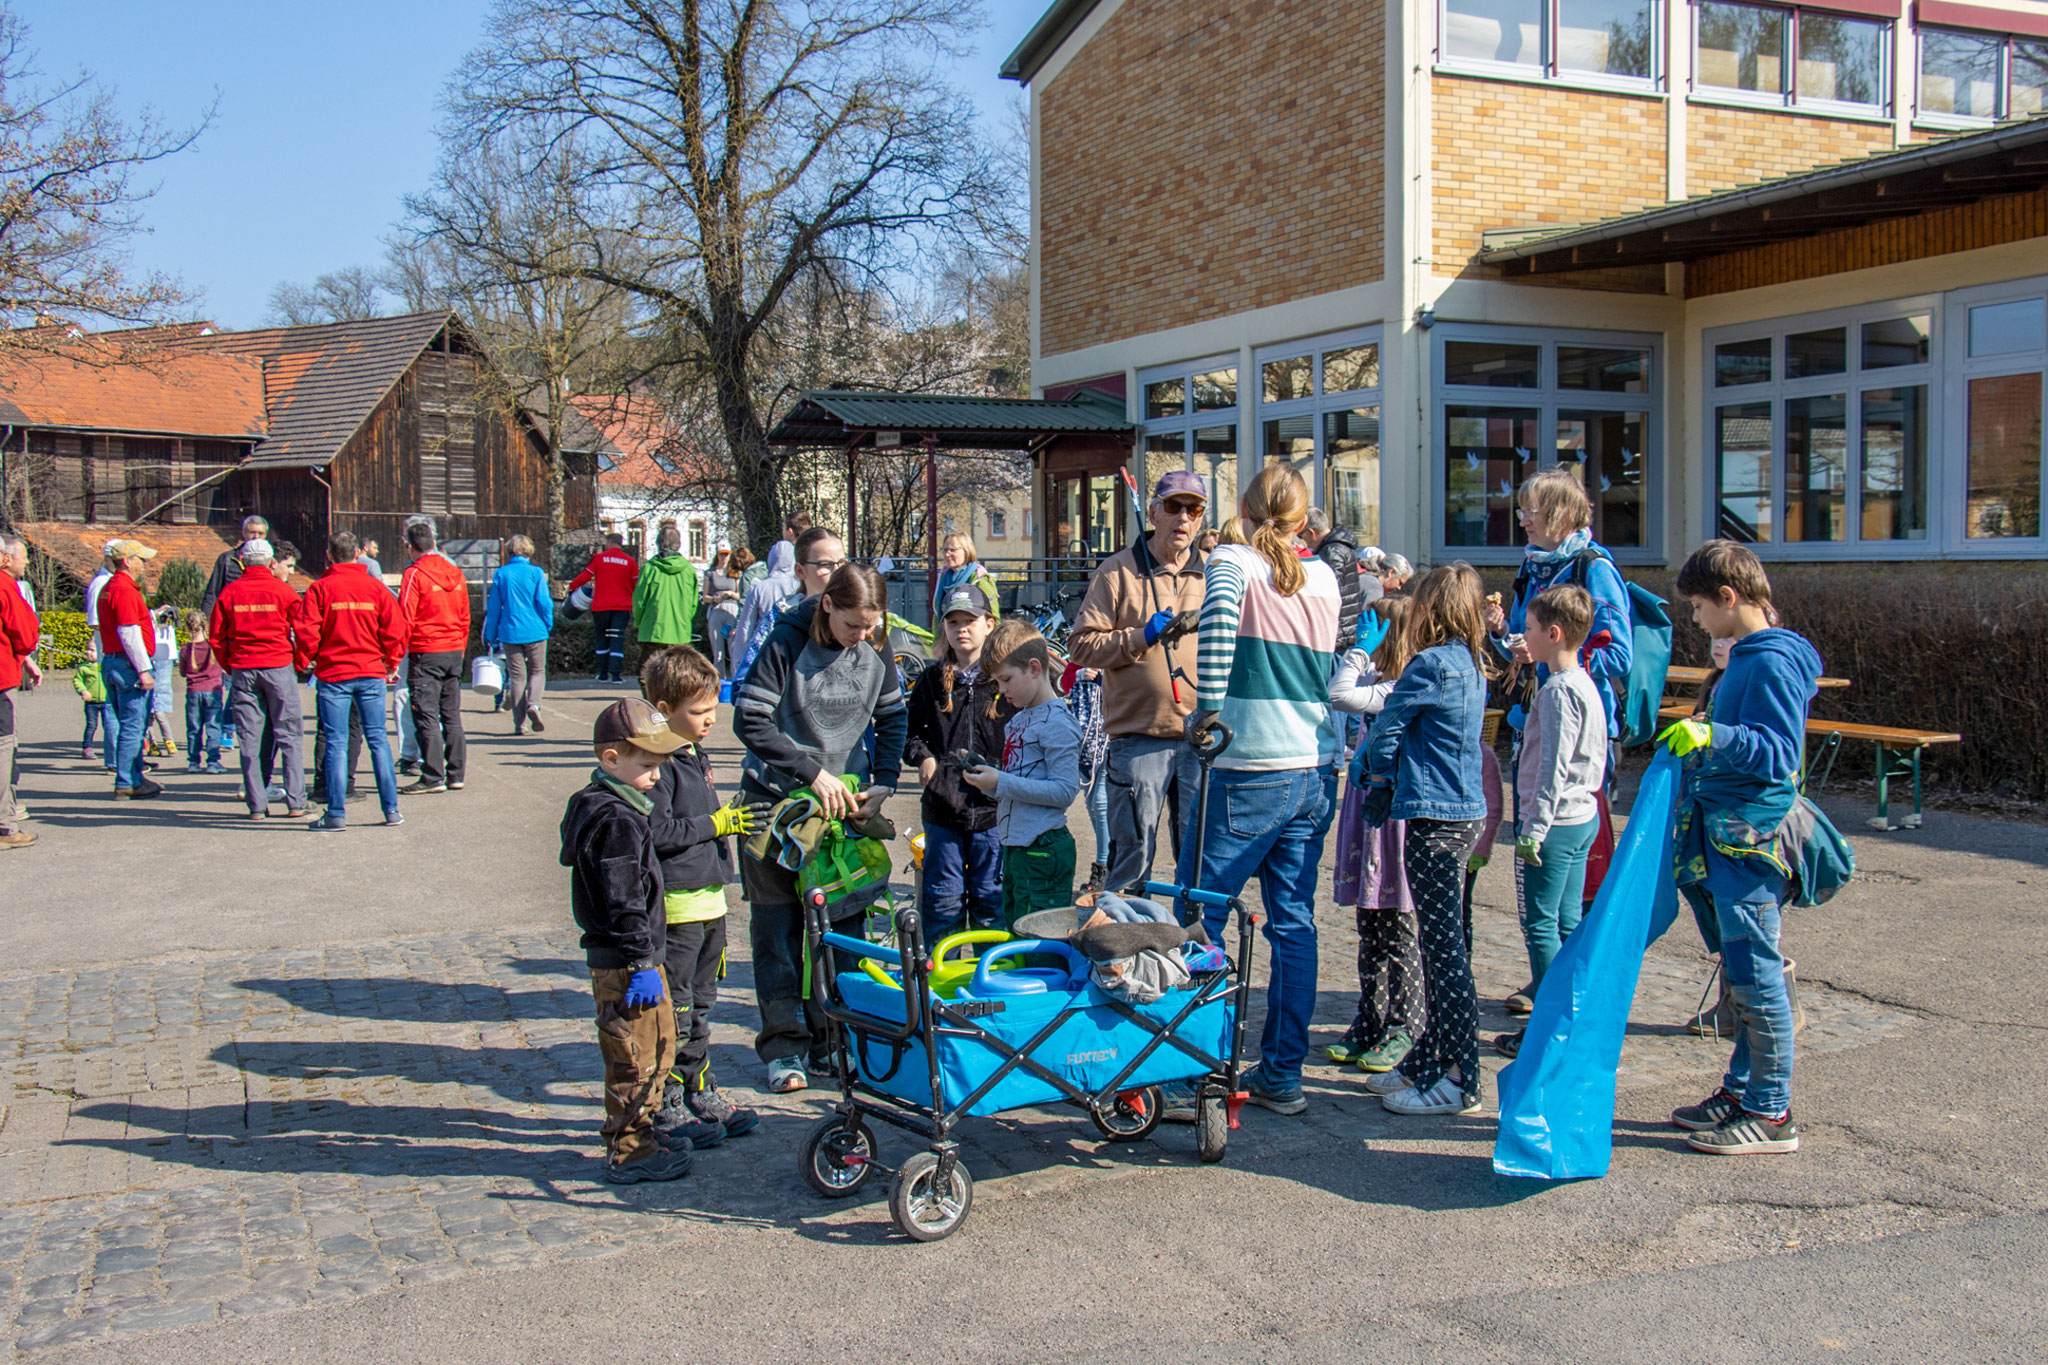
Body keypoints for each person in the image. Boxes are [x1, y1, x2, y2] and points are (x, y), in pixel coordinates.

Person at [1182, 464, 1342, 1116]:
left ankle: (1190, 1066)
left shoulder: (1233, 562)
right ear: (1304, 521)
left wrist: (1205, 711)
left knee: (1199, 914)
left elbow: (1218, 630)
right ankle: (1282, 1072)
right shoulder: (1327, 577)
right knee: (1294, 925)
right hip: (1314, 766)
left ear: (1245, 511)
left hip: (1249, 766)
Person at [1662, 541, 1819, 1157]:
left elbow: (1778, 753)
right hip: (1727, 835)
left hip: (1750, 841)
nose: (1696, 619)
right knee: (1743, 974)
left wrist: (1713, 732)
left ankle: (1771, 1110)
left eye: (1699, 607)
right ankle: (1741, 1088)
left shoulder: (1771, 662)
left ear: (1728, 598)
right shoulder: (1749, 656)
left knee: (1757, 978)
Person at [733, 562, 905, 1094]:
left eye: (871, 626)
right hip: (776, 809)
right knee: (779, 935)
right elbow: (749, 718)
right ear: (827, 604)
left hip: (843, 816)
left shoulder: (877, 645)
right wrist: (812, 772)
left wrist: (885, 779)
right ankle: (785, 1049)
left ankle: (838, 1041)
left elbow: (893, 716)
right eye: (854, 625)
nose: (863, 637)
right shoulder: (786, 640)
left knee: (844, 935)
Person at [1482, 469, 1632, 1013]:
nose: (1521, 517)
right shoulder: (1533, 564)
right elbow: (1523, 643)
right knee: (1553, 891)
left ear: (1564, 515)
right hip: (1537, 720)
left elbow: (1620, 656)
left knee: (1571, 874)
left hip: (1579, 735)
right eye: (1522, 507)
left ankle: (1569, 985)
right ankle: (1551, 978)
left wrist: (1562, 666)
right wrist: (1507, 637)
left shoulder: (1594, 568)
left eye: (1532, 509)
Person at [1358, 563, 1493, 1117]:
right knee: (1446, 946)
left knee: (1444, 955)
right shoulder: (1472, 664)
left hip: (1435, 822)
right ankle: (1428, 1060)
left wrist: (1376, 779)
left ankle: (1461, 1078)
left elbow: (1387, 728)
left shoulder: (1431, 665)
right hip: (1463, 817)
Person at [560, 696, 696, 1184]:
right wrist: (641, 961)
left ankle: (649, 1127)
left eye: (660, 763)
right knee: (633, 1056)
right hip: (627, 959)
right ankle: (630, 1148)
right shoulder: (615, 818)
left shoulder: (624, 805)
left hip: (640, 956)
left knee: (659, 1045)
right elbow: (623, 898)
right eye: (647, 763)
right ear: (610, 760)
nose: (657, 774)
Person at [638, 645, 761, 1145]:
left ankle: (697, 1085)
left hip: (710, 900)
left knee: (704, 1005)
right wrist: (715, 823)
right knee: (679, 1007)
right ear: (665, 711)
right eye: (699, 713)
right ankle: (666, 1096)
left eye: (713, 710)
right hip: (679, 905)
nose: (711, 721)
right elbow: (657, 832)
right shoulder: (657, 759)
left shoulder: (692, 750)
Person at [1068, 470, 1208, 895]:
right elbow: (1081, 647)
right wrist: (1140, 636)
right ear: (1153, 512)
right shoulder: (1118, 571)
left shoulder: (1215, 575)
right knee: (1132, 861)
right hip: (1138, 739)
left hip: (1201, 738)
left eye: (1194, 509)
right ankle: (1125, 956)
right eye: (1173, 507)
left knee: (1199, 865)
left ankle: (1196, 952)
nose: (1183, 517)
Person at [1495, 585, 1607, 1060]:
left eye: (1533, 630)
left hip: (1556, 825)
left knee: (1542, 925)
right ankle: (1569, 1016)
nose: (1526, 636)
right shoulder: (1582, 682)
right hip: (1580, 818)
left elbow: (1552, 767)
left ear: (1554, 633)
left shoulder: (1560, 691)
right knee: (1565, 920)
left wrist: (1534, 828)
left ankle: (1547, 1024)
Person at [1326, 596, 1422, 1075]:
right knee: (1370, 923)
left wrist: (1359, 653)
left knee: (1400, 923)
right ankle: (1371, 1015)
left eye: (1374, 629)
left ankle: (1405, 1023)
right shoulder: (1376, 683)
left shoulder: (1401, 688)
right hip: (1368, 812)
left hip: (1394, 817)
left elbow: (1339, 694)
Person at [904, 582, 1012, 939]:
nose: (961, 629)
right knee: (942, 903)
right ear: (944, 628)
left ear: (989, 624)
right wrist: (923, 758)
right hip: (943, 811)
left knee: (990, 903)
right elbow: (909, 733)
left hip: (994, 813)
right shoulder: (932, 680)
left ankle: (990, 981)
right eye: (953, 622)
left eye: (970, 620)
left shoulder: (1005, 682)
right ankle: (939, 987)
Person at [963, 621, 1081, 929]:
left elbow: (1064, 791)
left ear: (1033, 668)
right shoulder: (1022, 718)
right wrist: (986, 778)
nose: (1000, 690)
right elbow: (1020, 782)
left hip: (1043, 847)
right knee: (1017, 936)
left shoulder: (1057, 722)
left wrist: (1001, 782)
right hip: (1017, 848)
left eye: (1005, 679)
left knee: (1038, 945)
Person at [296, 532, 406, 831]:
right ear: (357, 553)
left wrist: (308, 659)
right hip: (371, 672)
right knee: (378, 741)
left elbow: (306, 631)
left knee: (336, 743)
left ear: (329, 555)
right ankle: (391, 810)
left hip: (334, 675)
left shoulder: (319, 589)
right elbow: (396, 630)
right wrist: (391, 662)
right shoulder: (376, 588)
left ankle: (335, 813)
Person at [211, 539, 309, 820]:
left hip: (244, 668)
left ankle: (256, 804)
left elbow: (217, 636)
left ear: (242, 562)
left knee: (249, 739)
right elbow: (303, 631)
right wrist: (299, 662)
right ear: (270, 563)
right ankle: (296, 802)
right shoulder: (285, 591)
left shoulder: (230, 592)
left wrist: (230, 665)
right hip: (278, 666)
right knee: (289, 735)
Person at [396, 520, 473, 795]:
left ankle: (432, 775)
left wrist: (394, 657)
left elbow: (405, 617)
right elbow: (465, 616)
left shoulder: (414, 574)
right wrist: (460, 648)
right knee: (451, 714)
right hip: (452, 649)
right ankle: (456, 773)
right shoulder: (456, 572)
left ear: (410, 546)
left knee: (425, 714)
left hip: (426, 649)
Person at [732, 528, 843, 684]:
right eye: (826, 564)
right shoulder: (781, 615)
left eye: (842, 563)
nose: (838, 572)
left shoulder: (861, 617)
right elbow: (743, 683)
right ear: (799, 571)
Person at [97, 539, 162, 801]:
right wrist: (144, 669)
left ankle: (134, 776)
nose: (144, 563)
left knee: (128, 723)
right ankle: (127, 780)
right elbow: (128, 632)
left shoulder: (109, 588)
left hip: (113, 661)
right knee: (133, 726)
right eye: (141, 559)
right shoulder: (125, 590)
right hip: (128, 665)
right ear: (128, 561)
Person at [485, 534, 554, 735]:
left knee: (517, 677)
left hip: (509, 630)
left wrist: (490, 634)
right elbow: (543, 602)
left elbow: (494, 607)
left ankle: (519, 724)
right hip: (535, 629)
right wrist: (548, 623)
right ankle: (534, 704)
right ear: (528, 551)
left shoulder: (501, 574)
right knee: (538, 671)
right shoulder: (536, 572)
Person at [0, 532, 42, 849]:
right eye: (23, 555)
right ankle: (4, 825)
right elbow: (25, 631)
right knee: (4, 749)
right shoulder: (5, 585)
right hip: (1, 679)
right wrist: (24, 653)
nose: (27, 560)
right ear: (5, 558)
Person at [1062, 658, 1111, 896]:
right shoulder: (1084, 654)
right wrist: (1081, 674)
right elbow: (1064, 682)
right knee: (1093, 803)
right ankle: (1107, 862)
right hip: (1087, 740)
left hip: (1112, 735)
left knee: (1100, 802)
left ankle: (1105, 866)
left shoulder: (1118, 647)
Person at [568, 534, 640, 682]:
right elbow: (636, 585)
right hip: (621, 606)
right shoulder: (630, 561)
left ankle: (602, 674)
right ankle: (616, 675)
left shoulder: (599, 558)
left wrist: (571, 587)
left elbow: (585, 576)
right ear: (621, 544)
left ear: (609, 542)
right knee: (617, 638)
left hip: (601, 606)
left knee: (602, 637)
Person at [730, 539, 798, 677]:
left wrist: (740, 662)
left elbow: (745, 628)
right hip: (794, 653)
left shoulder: (759, 588)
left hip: (764, 654)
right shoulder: (800, 586)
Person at [1302, 508, 1366, 651]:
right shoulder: (1338, 547)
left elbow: (1328, 590)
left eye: (1302, 536)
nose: (1304, 542)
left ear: (1311, 532)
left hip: (1338, 631)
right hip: (1345, 628)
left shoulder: (1331, 551)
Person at [634, 523, 701, 652]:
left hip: (653, 629)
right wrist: (685, 620)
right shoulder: (688, 570)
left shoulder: (649, 569)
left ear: (659, 544)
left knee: (652, 670)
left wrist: (639, 622)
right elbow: (693, 604)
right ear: (679, 544)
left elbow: (639, 600)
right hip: (680, 631)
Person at [178, 609, 229, 775]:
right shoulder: (213, 646)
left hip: (193, 691)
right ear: (205, 625)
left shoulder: (186, 648)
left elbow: (183, 672)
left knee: (194, 728)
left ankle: (193, 761)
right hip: (213, 690)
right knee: (213, 727)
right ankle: (213, 761)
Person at [201, 514, 269, 614]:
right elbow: (212, 593)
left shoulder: (271, 560)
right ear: (243, 533)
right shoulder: (227, 559)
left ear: (266, 535)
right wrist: (205, 624)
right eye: (252, 532)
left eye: (260, 533)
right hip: (232, 616)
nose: (256, 537)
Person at [930, 531, 999, 624]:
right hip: (947, 635)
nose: (947, 554)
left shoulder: (980, 579)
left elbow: (993, 616)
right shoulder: (943, 579)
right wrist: (937, 638)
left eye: (952, 550)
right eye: (945, 550)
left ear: (967, 550)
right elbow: (937, 615)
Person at [703, 546, 746, 677]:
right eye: (722, 554)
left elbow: (741, 596)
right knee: (718, 652)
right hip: (716, 611)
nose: (724, 557)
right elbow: (705, 597)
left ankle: (735, 680)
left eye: (727, 554)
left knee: (732, 648)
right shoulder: (710, 573)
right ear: (717, 555)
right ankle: (720, 680)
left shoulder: (735, 573)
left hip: (731, 612)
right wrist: (715, 599)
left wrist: (730, 594)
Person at [145, 606, 179, 758]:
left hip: (161, 658)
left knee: (158, 713)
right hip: (155, 657)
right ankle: (152, 742)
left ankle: (168, 740)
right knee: (151, 715)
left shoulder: (168, 634)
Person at [74, 659, 111, 769]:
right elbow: (77, 680)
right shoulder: (84, 668)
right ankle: (87, 748)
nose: (90, 653)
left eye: (93, 650)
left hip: (106, 701)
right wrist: (83, 690)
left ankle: (110, 749)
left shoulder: (105, 664)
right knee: (91, 725)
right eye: (88, 650)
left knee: (109, 726)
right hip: (91, 703)